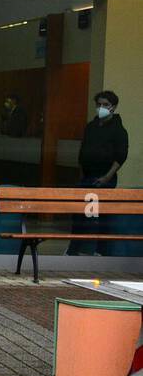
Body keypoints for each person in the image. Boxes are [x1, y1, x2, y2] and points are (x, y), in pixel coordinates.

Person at [70, 90, 129, 255]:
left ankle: (101, 251)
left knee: (100, 216)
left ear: (113, 107)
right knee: (81, 215)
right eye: (99, 105)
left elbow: (121, 156)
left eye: (105, 105)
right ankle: (75, 249)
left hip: (104, 179)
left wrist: (107, 177)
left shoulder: (118, 130)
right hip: (87, 177)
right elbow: (83, 151)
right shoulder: (91, 126)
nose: (101, 108)